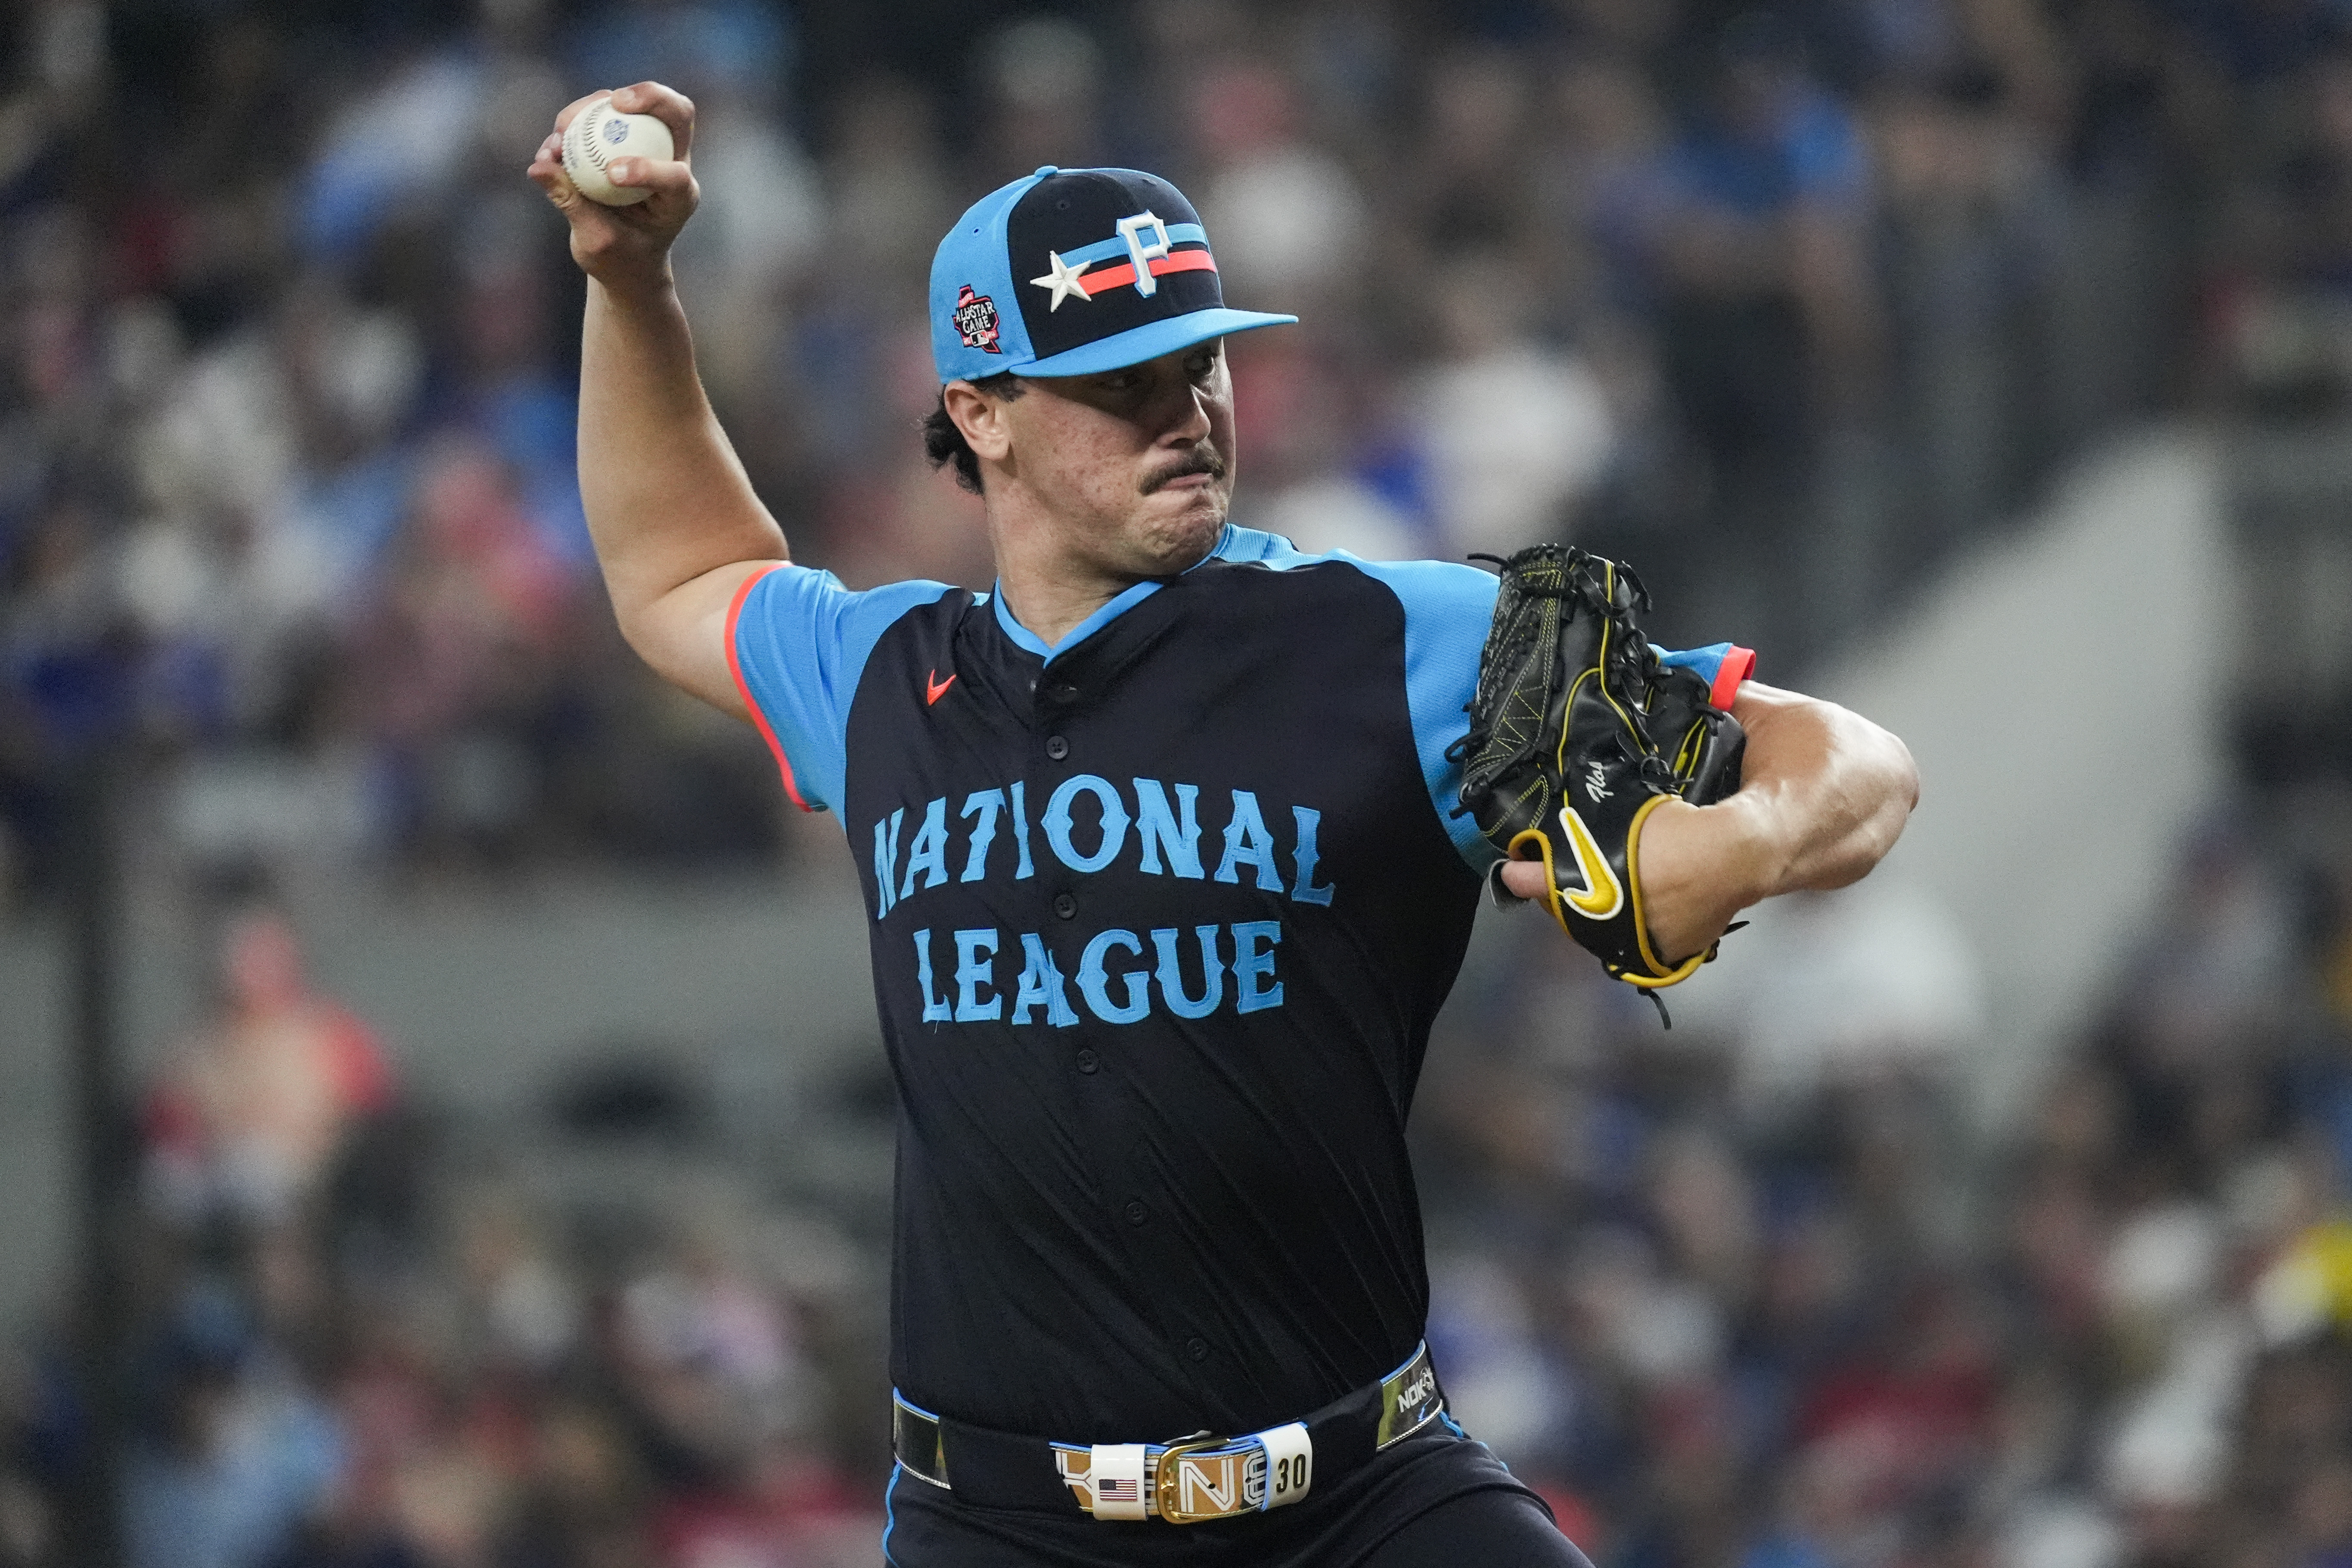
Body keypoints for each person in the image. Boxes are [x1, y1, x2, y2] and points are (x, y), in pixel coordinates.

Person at [528, 81, 1918, 1567]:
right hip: (1003, 1524)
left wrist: (1742, 838)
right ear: (980, 415)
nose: (1185, 414)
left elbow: (1860, 761)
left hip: (1360, 1498)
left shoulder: (1397, 640)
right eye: (1121, 382)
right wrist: (630, 282)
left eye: (1200, 365)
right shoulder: (883, 676)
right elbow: (677, 574)